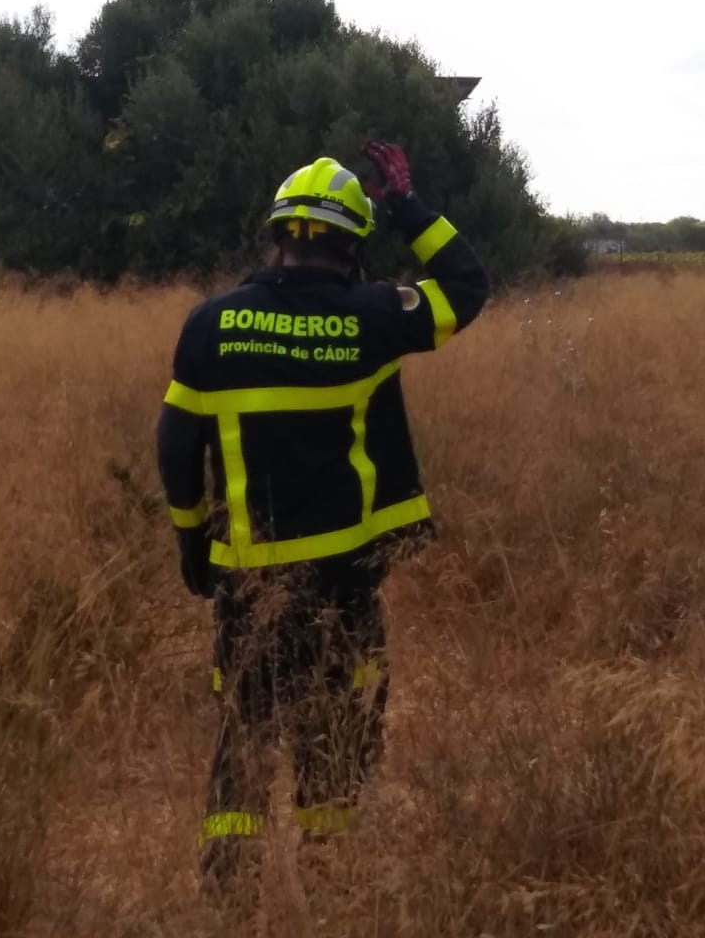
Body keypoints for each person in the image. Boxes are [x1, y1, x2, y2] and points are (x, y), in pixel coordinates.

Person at [156, 139, 489, 886]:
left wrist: (189, 540)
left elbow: (176, 444)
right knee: (335, 729)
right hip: (346, 583)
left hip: (246, 583)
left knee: (244, 734)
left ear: (278, 237)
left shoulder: (210, 324)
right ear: (353, 245)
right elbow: (467, 285)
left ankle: (229, 891)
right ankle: (328, 880)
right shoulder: (374, 316)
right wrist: (408, 206)